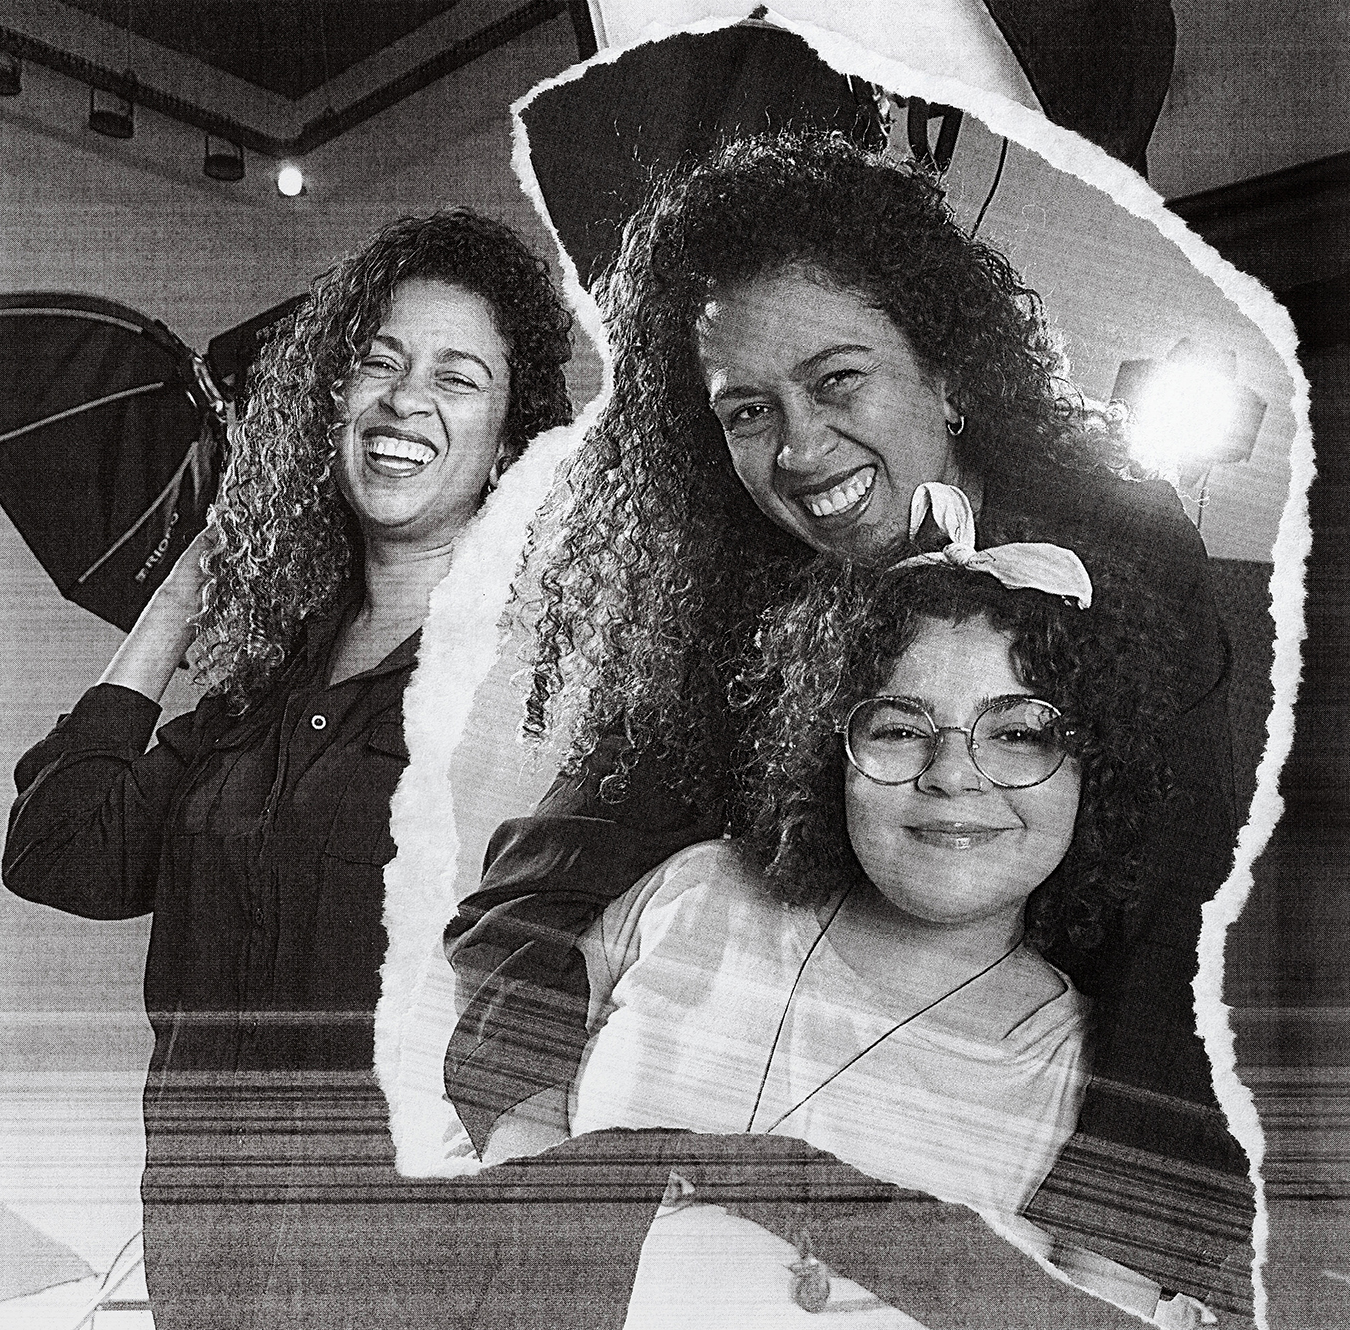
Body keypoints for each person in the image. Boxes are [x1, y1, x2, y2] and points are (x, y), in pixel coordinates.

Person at [443, 130, 1250, 1316]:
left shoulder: (1120, 546)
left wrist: (1103, 1271)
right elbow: (546, 884)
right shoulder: (726, 585)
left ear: (947, 372)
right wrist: (541, 1190)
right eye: (746, 409)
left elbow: (1182, 923)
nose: (799, 450)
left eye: (836, 381)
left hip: (1014, 1103)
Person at [3, 207, 575, 1328]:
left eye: (457, 378)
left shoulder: (528, 698)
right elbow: (58, 853)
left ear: (509, 444)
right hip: (205, 1249)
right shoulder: (260, 691)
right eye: (379, 363)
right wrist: (183, 592)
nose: (404, 400)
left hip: (402, 1274)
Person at [464, 491, 1214, 1328]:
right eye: (899, 729)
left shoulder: (1080, 1075)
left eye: (1016, 734)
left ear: (1093, 772)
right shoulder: (695, 893)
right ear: (830, 752)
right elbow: (493, 1144)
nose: (952, 775)